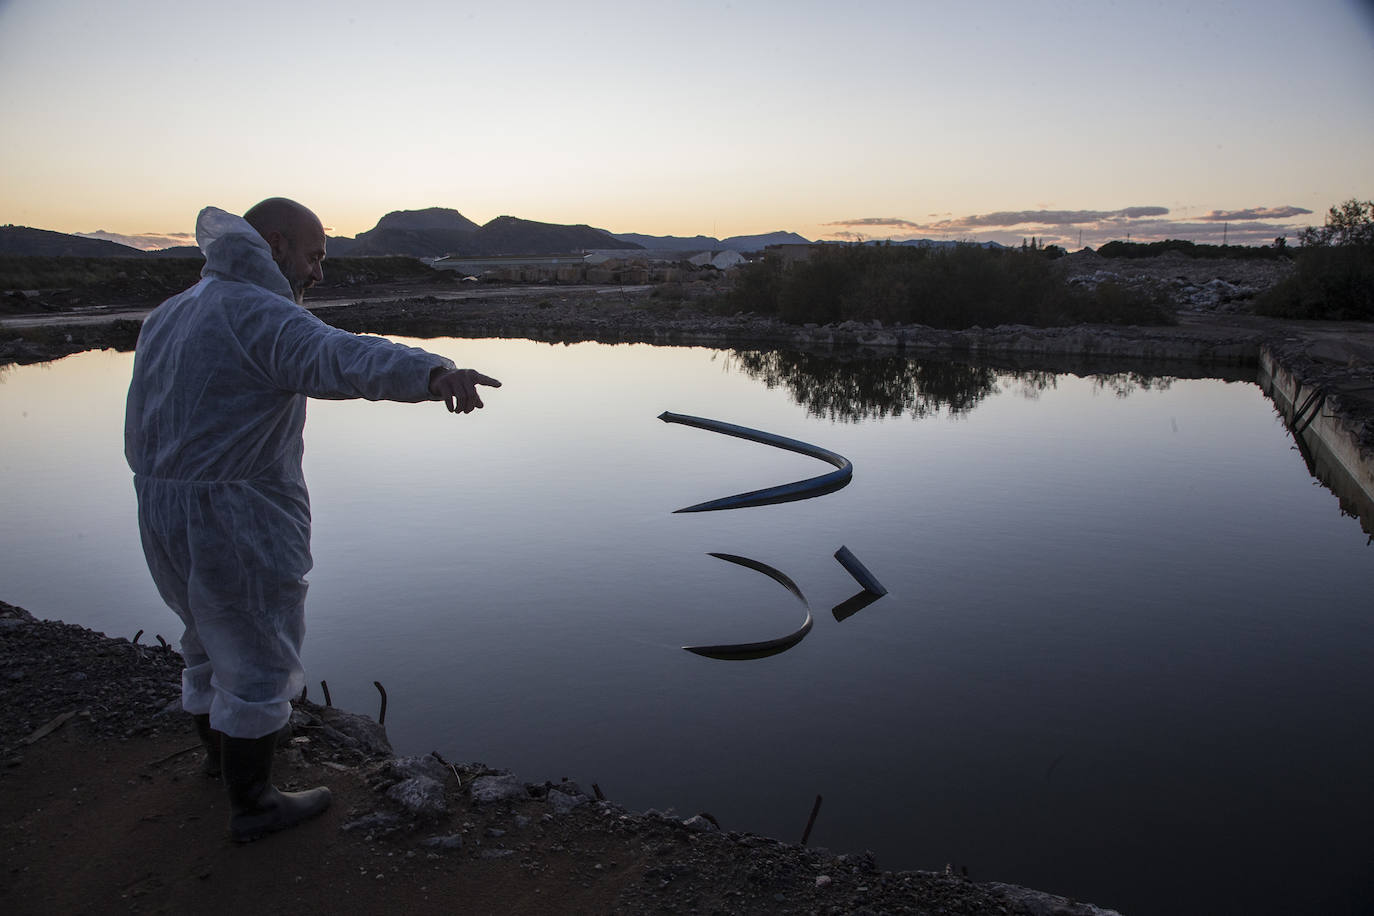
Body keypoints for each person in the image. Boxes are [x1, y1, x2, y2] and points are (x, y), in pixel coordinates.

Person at [124, 199, 500, 842]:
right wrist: (434, 372)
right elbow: (339, 356)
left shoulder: (172, 312)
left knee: (204, 637)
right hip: (236, 516)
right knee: (258, 652)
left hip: (162, 509)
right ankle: (256, 804)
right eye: (316, 255)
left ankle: (222, 765)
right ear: (275, 244)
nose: (320, 273)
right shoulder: (256, 312)